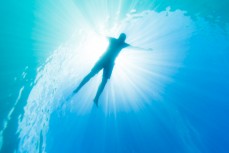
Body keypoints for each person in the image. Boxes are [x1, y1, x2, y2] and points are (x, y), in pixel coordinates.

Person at [71, 33, 151, 106]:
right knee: (96, 76)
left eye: (122, 38)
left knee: (99, 78)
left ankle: (94, 97)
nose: (122, 39)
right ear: (122, 38)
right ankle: (82, 90)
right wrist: (146, 50)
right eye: (122, 37)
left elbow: (101, 35)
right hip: (106, 61)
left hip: (106, 61)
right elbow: (134, 48)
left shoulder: (116, 41)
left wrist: (146, 50)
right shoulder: (120, 42)